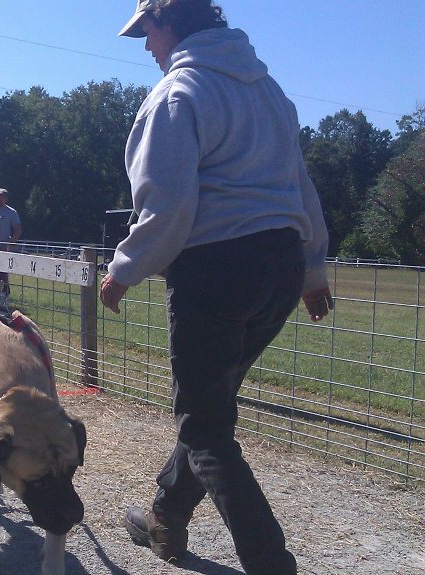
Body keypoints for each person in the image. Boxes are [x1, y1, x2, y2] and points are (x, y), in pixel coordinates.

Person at [102, 2, 334, 574]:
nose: (145, 45)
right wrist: (310, 271)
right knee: (208, 410)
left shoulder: (178, 93)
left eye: (146, 32)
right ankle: (163, 517)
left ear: (169, 23)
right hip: (278, 267)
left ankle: (269, 562)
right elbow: (299, 188)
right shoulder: (269, 91)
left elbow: (168, 202)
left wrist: (124, 268)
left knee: (204, 425)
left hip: (217, 270)